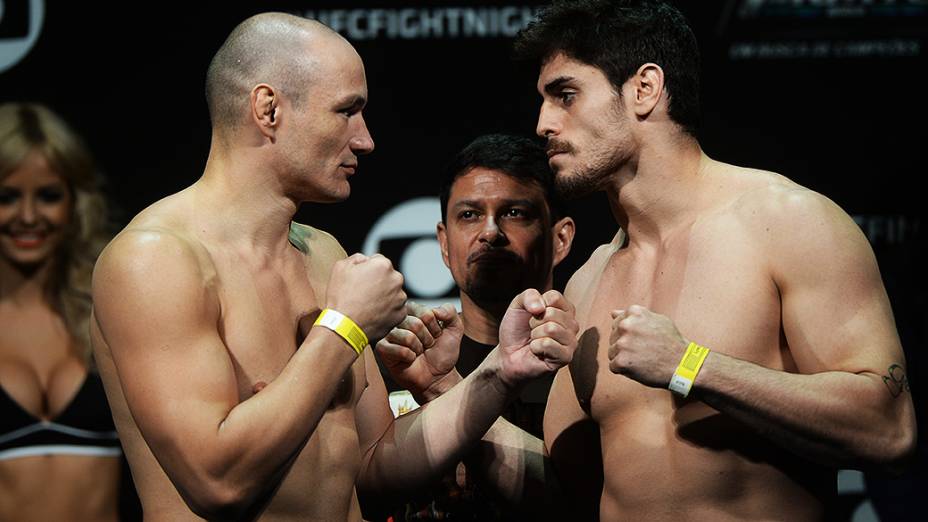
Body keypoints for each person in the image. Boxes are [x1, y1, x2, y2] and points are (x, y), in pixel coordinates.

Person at [381, 1, 918, 520]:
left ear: (644, 88)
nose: (543, 123)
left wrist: (690, 366)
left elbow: (888, 429)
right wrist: (449, 390)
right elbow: (567, 498)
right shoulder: (589, 282)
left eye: (565, 95)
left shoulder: (786, 222)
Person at [89, 13, 579, 521]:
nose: (365, 139)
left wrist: (498, 372)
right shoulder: (156, 260)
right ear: (268, 108)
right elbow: (218, 482)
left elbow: (374, 466)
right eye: (347, 111)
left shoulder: (325, 255)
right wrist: (342, 326)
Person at [376, 133, 576, 520]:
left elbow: (584, 508)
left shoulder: (587, 365)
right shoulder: (401, 363)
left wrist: (443, 389)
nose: (490, 232)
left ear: (560, 238)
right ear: (444, 243)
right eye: (469, 215)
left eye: (515, 212)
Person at [0, 103, 123, 521]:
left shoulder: (108, 313)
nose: (29, 216)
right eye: (7, 197)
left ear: (75, 203)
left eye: (49, 196)